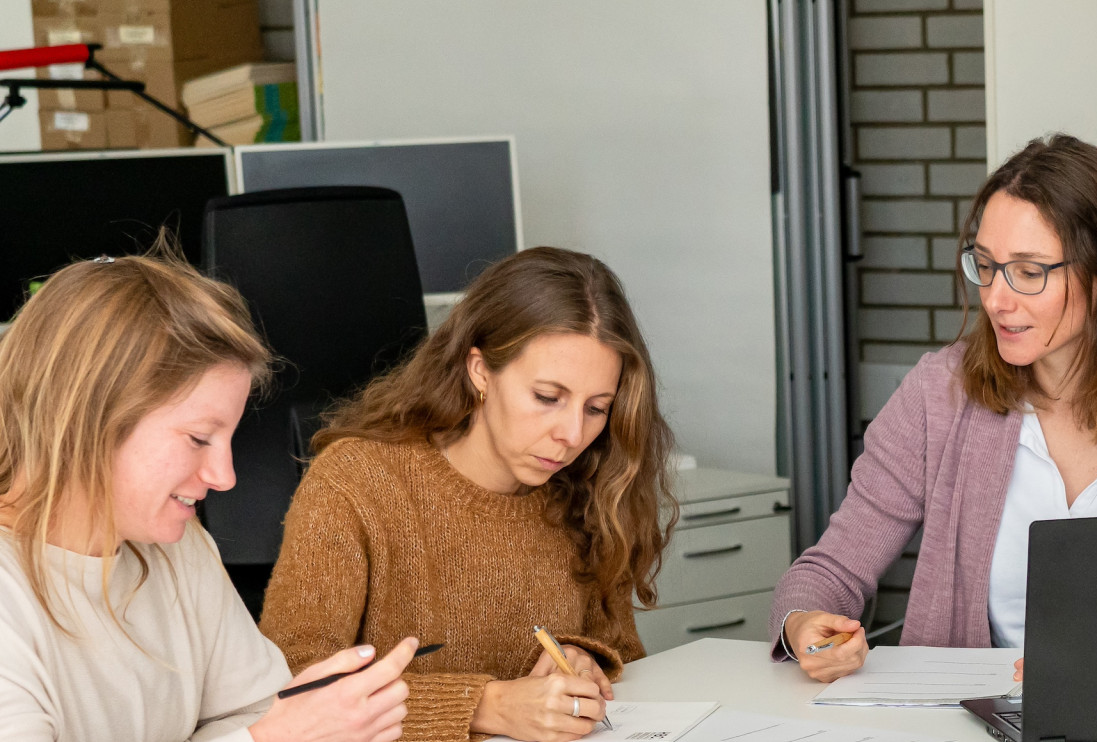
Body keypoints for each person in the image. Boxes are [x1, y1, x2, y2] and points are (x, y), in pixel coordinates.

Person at [770, 133, 1097, 683]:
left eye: (1029, 272)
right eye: (985, 265)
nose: (995, 298)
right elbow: (832, 566)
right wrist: (804, 625)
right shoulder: (938, 394)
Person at [259, 247, 677, 742]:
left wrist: (587, 663)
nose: (571, 433)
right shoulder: (356, 482)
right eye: (547, 398)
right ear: (479, 370)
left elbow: (620, 653)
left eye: (597, 408)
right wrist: (483, 705)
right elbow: (294, 688)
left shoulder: (590, 486)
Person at [0, 250, 419, 742]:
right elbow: (259, 732)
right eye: (199, 438)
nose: (224, 478)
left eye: (229, 440)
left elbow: (249, 711)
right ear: (87, 421)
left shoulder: (182, 548)